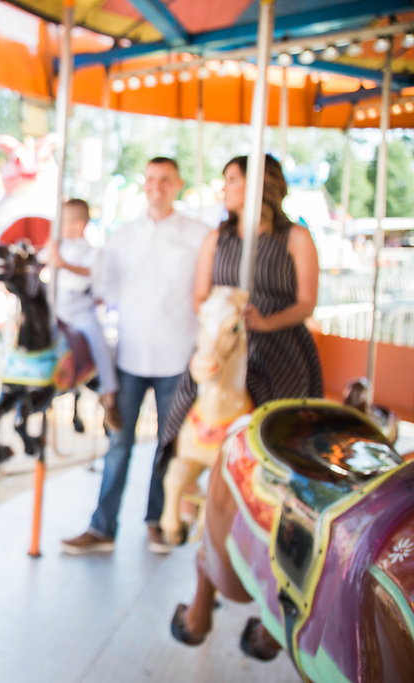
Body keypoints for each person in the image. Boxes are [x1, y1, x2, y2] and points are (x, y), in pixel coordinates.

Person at [61, 157, 212, 556]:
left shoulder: (199, 236)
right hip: (129, 355)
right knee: (118, 443)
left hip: (177, 357)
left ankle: (158, 522)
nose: (156, 186)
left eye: (165, 180)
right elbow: (102, 290)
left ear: (178, 185)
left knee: (168, 446)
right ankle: (102, 526)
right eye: (150, 180)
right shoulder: (122, 236)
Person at [156, 154, 323, 497]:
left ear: (260, 183)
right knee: (186, 396)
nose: (225, 187)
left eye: (232, 179)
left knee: (280, 405)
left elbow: (307, 302)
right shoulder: (218, 239)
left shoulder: (295, 237)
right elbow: (200, 296)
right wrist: (223, 317)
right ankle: (177, 471)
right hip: (225, 338)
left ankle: (281, 482)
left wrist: (265, 321)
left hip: (278, 341)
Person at [49, 198, 121, 431]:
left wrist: (63, 264)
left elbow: (89, 273)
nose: (62, 226)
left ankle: (109, 393)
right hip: (56, 305)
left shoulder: (93, 252)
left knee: (99, 342)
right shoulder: (55, 246)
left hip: (78, 308)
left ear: (80, 225)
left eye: (67, 222)